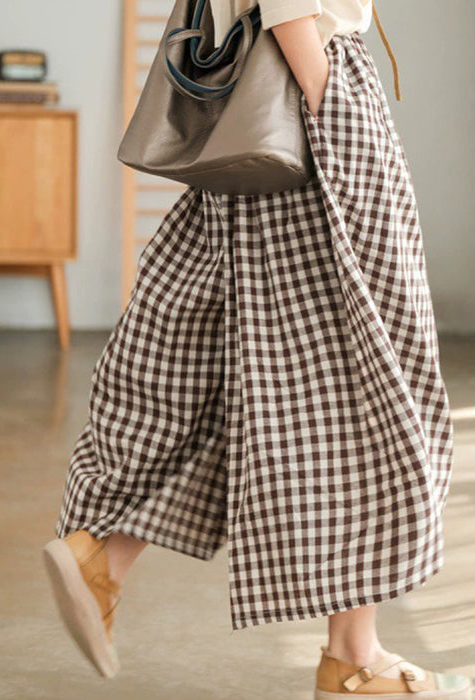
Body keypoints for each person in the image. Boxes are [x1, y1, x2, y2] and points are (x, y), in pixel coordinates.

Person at [43, 1, 472, 697]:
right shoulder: (318, 89)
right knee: (363, 386)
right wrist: (330, 105)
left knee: (258, 374)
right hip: (307, 102)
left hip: (263, 116)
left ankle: (105, 557)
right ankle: (355, 660)